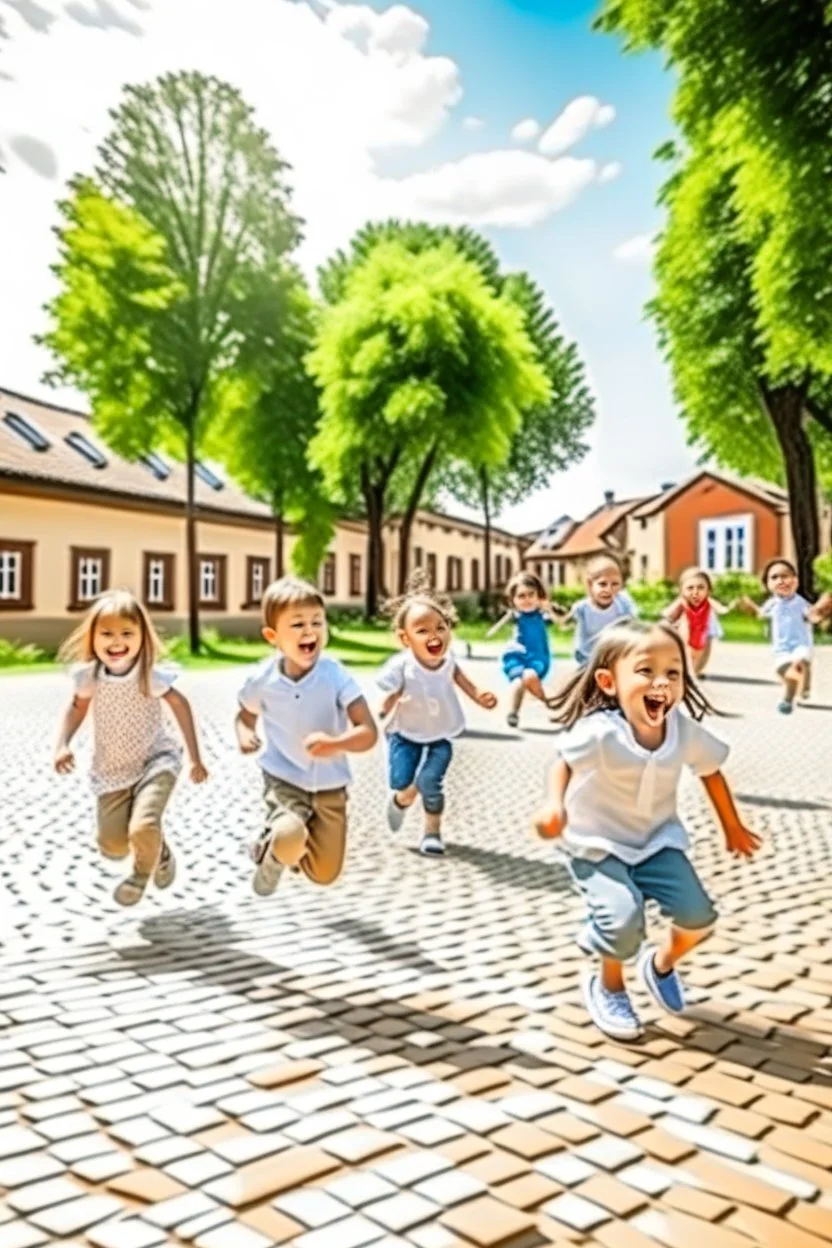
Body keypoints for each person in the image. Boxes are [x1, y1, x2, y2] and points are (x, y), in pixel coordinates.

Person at [535, 618, 759, 1042]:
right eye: (646, 671)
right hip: (598, 844)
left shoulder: (681, 730)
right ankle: (609, 986)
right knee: (622, 922)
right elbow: (562, 761)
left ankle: (660, 966)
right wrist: (553, 805)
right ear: (608, 681)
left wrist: (732, 826)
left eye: (673, 672)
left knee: (697, 918)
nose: (662, 682)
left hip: (657, 842)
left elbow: (711, 771)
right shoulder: (600, 731)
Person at [54, 589, 208, 906]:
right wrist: (62, 745)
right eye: (107, 633)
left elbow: (180, 706)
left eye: (127, 633)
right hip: (112, 769)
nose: (116, 641)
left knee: (143, 825)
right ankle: (160, 849)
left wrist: (194, 757)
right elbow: (76, 708)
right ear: (93, 637)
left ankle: (140, 876)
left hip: (156, 762)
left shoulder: (148, 675)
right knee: (112, 845)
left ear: (142, 637)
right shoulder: (90, 677)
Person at [236, 576, 377, 896]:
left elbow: (368, 732)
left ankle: (273, 848)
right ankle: (274, 848)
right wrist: (245, 734)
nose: (309, 630)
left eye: (317, 622)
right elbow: (245, 713)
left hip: (330, 786)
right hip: (284, 779)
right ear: (273, 636)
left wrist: (336, 744)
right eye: (297, 624)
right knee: (289, 832)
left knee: (325, 873)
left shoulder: (335, 675)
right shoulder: (263, 679)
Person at [378, 571, 497, 856]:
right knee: (402, 782)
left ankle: (432, 833)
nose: (435, 636)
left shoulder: (448, 661)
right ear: (405, 638)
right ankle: (401, 800)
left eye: (440, 627)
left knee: (430, 782)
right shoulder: (402, 666)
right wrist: (383, 707)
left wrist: (480, 696)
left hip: (440, 734)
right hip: (405, 734)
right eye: (423, 631)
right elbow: (391, 692)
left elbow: (462, 681)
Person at [738, 559, 832, 713]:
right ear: (767, 585)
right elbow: (760, 614)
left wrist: (821, 611)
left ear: (796, 581)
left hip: (801, 645)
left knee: (800, 663)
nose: (781, 580)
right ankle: (800, 687)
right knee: (786, 673)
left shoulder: (799, 602)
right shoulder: (772, 604)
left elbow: (812, 616)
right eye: (774, 577)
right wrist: (750, 607)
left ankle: (790, 698)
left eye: (785, 576)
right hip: (781, 649)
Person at [487, 571, 559, 728]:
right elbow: (501, 623)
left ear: (538, 595)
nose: (526, 600)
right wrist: (492, 631)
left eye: (530, 595)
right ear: (513, 600)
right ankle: (513, 713)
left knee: (530, 677)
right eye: (521, 596)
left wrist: (549, 609)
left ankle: (551, 705)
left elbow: (560, 623)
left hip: (537, 657)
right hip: (516, 655)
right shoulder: (516, 615)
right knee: (518, 682)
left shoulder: (542, 614)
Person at [559, 554, 638, 668]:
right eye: (602, 584)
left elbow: (635, 623)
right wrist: (554, 612)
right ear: (590, 584)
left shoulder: (622, 603)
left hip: (612, 656)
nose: (608, 589)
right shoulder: (582, 608)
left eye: (615, 584)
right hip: (586, 658)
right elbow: (564, 622)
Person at [663, 567, 731, 677]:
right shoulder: (682, 602)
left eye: (701, 588)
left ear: (708, 590)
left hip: (705, 627)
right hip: (685, 629)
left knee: (705, 647)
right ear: (682, 591)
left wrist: (727, 609)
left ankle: (697, 669)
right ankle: (683, 668)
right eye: (690, 588)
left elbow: (722, 609)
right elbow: (666, 613)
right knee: (683, 644)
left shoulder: (708, 602)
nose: (695, 592)